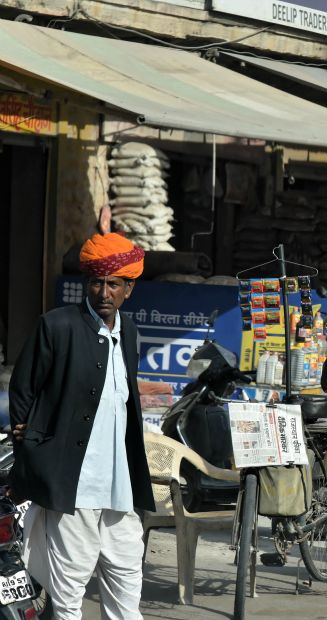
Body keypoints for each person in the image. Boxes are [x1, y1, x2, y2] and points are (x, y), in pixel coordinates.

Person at [10, 232, 155, 620]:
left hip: (119, 488)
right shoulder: (56, 326)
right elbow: (23, 388)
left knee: (127, 580)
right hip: (72, 486)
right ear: (85, 283)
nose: (103, 292)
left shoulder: (130, 334)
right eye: (96, 282)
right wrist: (32, 438)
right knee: (69, 591)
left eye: (113, 284)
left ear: (129, 289)